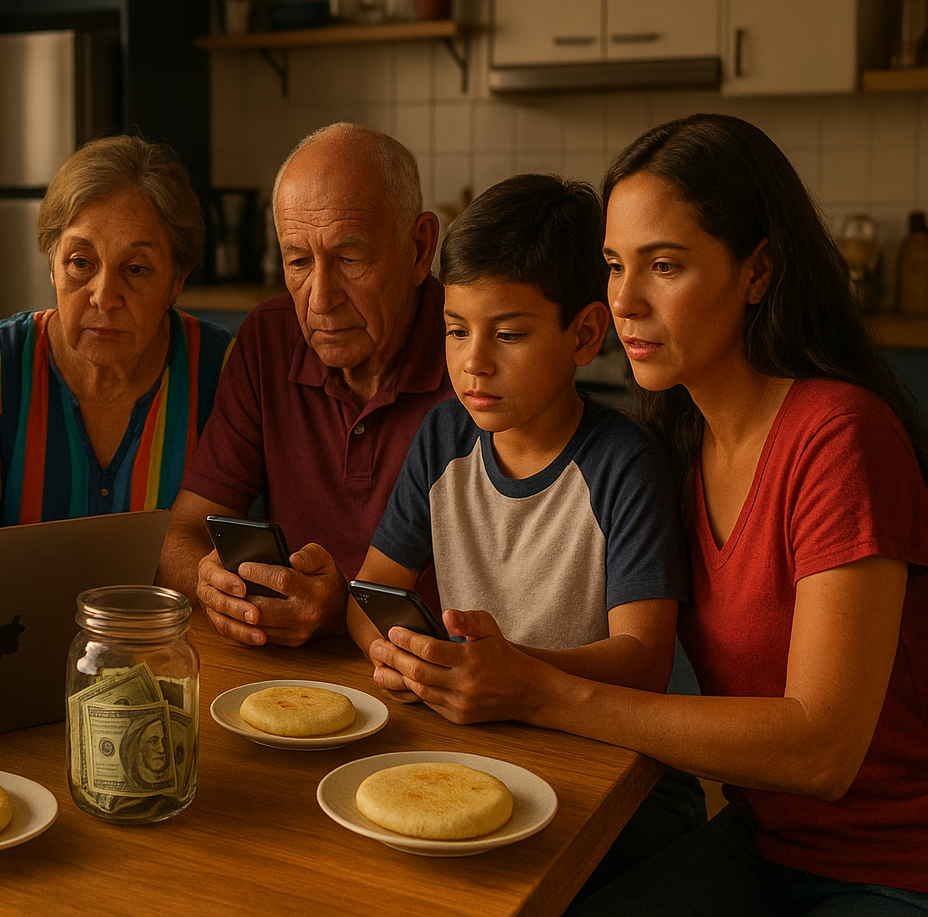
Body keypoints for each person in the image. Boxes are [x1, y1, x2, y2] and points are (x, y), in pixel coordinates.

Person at [376, 115, 928, 914]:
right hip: (764, 841)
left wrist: (542, 692)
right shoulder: (682, 440)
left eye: (664, 265)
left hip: (893, 864)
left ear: (759, 270)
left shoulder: (839, 437)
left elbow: (823, 751)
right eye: (613, 265)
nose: (625, 301)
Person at [346, 173, 703, 896]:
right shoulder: (442, 437)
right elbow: (368, 594)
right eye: (455, 329)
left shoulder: (622, 464)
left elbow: (644, 662)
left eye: (508, 333)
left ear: (584, 334)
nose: (474, 360)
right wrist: (401, 657)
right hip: (477, 757)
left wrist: (511, 675)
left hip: (618, 782)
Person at [157, 123, 452, 647]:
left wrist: (347, 613)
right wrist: (211, 585)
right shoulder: (269, 340)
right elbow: (183, 535)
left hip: (425, 685)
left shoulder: (472, 356)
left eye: (349, 258)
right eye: (298, 262)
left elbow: (503, 606)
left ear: (419, 247)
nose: (319, 300)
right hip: (288, 676)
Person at [0, 135, 233, 524]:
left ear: (177, 281)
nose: (104, 297)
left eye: (136, 268)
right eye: (80, 262)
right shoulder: (0, 363)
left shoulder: (222, 371)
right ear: (52, 266)